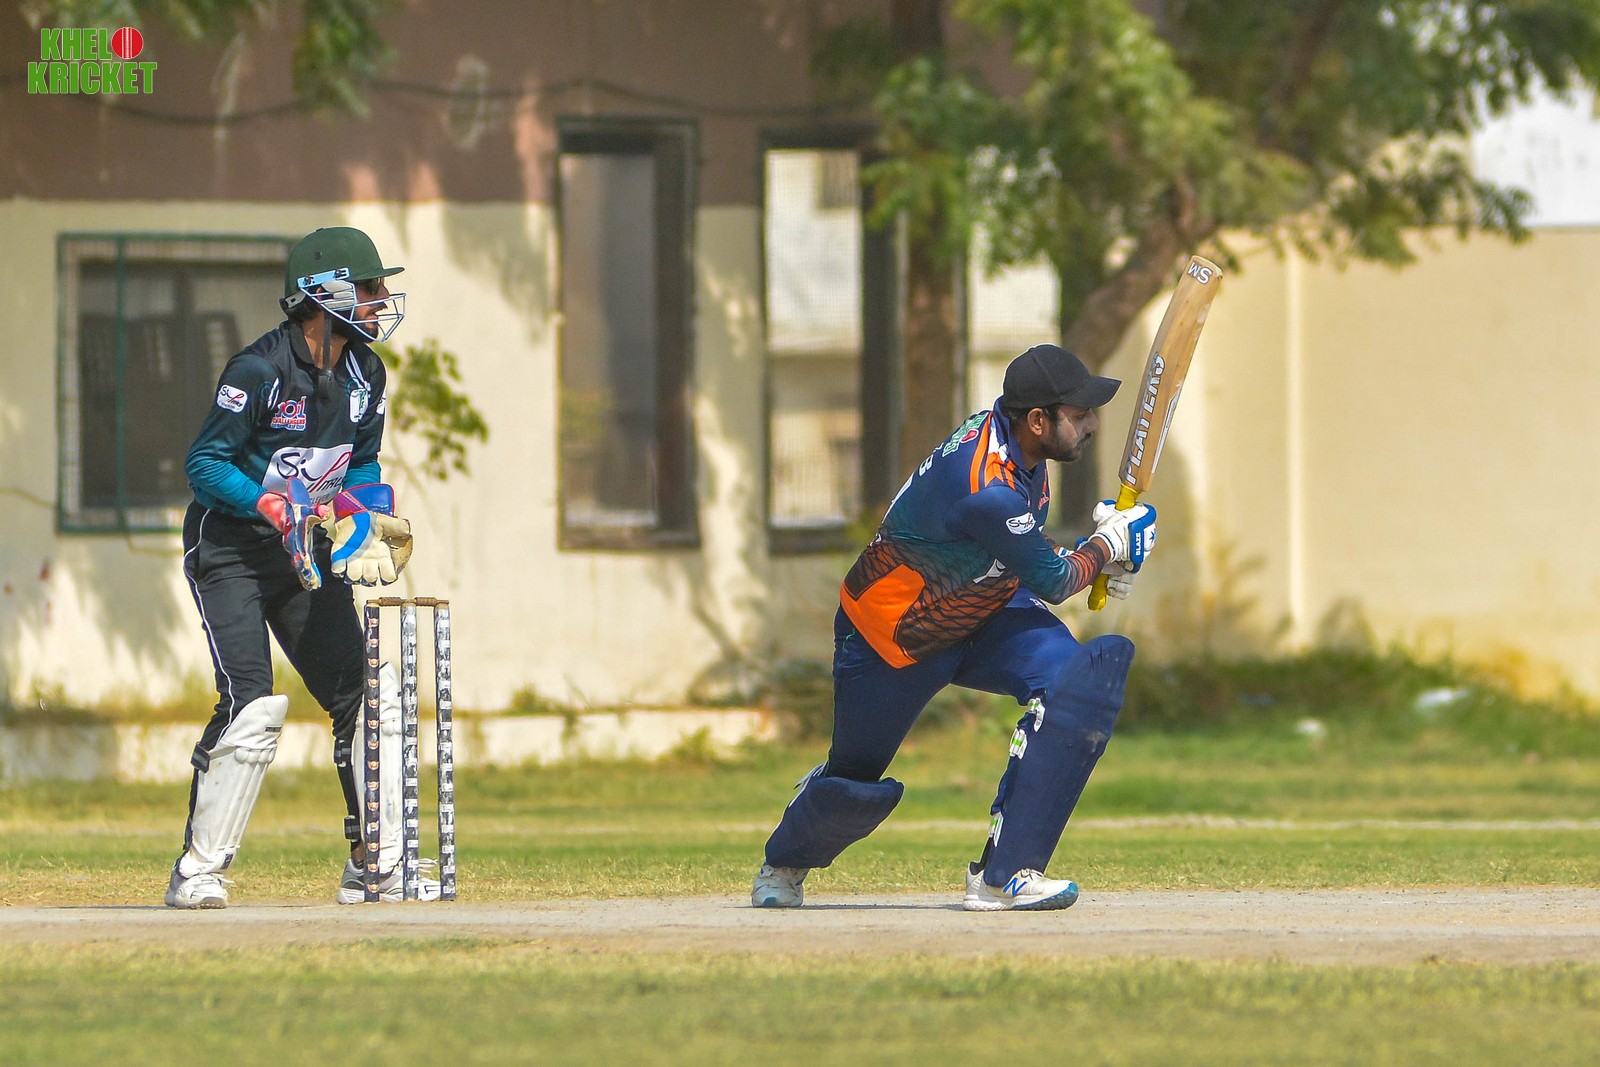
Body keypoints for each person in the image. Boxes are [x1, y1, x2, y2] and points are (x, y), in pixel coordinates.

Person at [751, 344, 1157, 912]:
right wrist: (1105, 547)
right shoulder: (983, 486)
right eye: (1079, 413)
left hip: (986, 611)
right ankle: (784, 862)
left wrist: (1098, 554)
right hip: (895, 635)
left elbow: (1013, 550)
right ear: (1037, 420)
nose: (1091, 424)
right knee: (855, 781)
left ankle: (1005, 875)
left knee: (1074, 683)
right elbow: (1054, 580)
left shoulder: (1015, 444)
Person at [165, 226, 429, 908]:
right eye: (368, 286)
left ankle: (375, 864)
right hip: (229, 549)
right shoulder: (257, 371)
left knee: (368, 694)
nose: (379, 298)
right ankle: (198, 870)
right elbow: (203, 465)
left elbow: (360, 461)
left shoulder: (367, 373)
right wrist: (264, 502)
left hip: (302, 551)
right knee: (253, 703)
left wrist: (367, 515)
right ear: (323, 293)